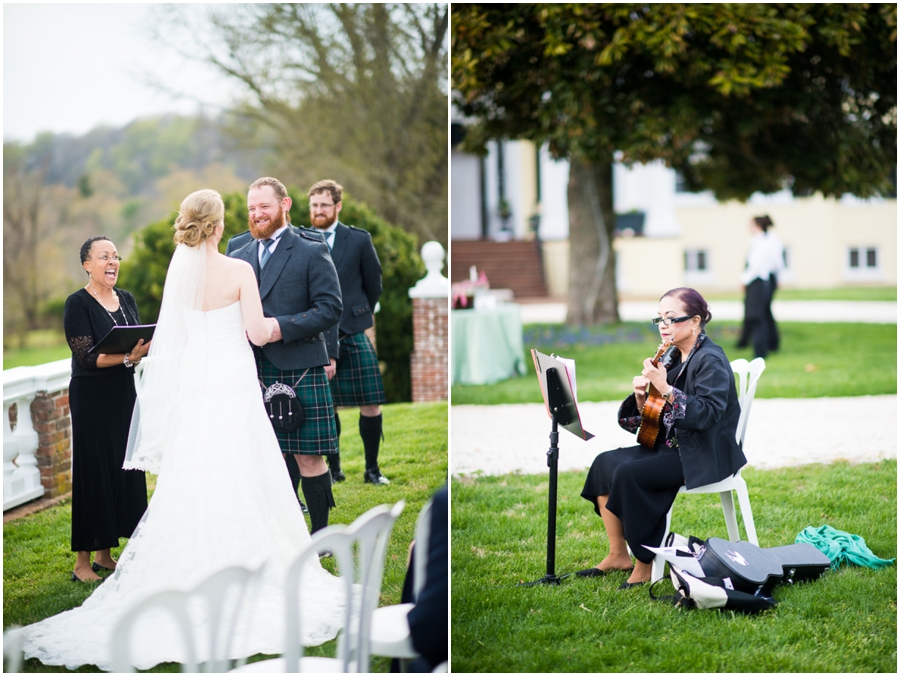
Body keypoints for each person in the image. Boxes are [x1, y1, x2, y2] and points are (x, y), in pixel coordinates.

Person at [22, 189, 349, 671]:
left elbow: (170, 344)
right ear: (218, 226)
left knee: (195, 476)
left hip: (197, 390)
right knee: (243, 471)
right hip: (234, 386)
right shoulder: (240, 270)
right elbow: (258, 334)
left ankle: (189, 569)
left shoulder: (181, 272)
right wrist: (282, 329)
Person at [579, 288, 746, 589]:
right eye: (660, 318)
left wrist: (666, 388)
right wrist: (643, 397)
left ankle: (645, 562)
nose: (663, 324)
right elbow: (655, 419)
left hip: (703, 454)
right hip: (672, 446)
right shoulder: (671, 356)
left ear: (695, 321)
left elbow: (707, 414)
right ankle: (618, 554)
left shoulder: (711, 359)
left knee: (630, 474)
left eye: (671, 318)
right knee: (604, 463)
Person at [228, 177, 343, 533]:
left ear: (285, 205)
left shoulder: (310, 248)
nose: (257, 214)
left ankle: (321, 536)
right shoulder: (236, 252)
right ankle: (278, 534)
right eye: (251, 208)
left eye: (264, 206)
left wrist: (277, 327)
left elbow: (329, 308)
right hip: (251, 369)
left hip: (298, 365)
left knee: (309, 457)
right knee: (266, 457)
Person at [62, 236, 151, 583]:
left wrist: (139, 349)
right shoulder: (77, 304)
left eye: (116, 256)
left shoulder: (126, 298)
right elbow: (86, 355)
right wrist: (129, 357)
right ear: (87, 264)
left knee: (123, 468)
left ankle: (105, 555)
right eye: (104, 257)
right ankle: (82, 563)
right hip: (91, 396)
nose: (112, 262)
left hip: (123, 393)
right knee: (93, 472)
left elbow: (135, 337)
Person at [307, 179, 389, 486]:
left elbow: (374, 283)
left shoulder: (358, 239)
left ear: (337, 206)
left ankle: (372, 469)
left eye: (324, 205)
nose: (318, 210)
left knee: (371, 402)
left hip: (352, 330)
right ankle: (335, 468)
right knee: (327, 404)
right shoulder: (301, 239)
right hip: (317, 334)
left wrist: (358, 312)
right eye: (314, 205)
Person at [737, 215, 784, 359]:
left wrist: (744, 280)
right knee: (764, 313)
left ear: (757, 226)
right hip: (767, 279)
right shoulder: (771, 239)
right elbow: (778, 262)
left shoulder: (762, 241)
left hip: (757, 280)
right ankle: (772, 344)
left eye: (751, 225)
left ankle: (760, 351)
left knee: (756, 316)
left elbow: (755, 265)